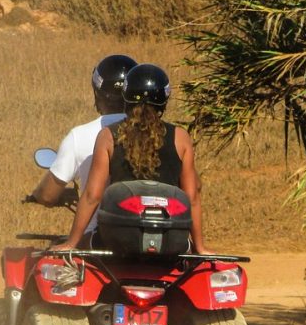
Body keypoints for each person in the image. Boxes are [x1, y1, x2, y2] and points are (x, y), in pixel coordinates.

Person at [54, 64, 210, 254]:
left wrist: (72, 242)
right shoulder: (180, 138)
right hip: (170, 243)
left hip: (115, 240)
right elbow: (192, 197)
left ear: (126, 96)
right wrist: (200, 247)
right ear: (164, 100)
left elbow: (92, 196)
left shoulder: (108, 136)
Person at [30, 54, 138, 239]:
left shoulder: (80, 136)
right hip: (161, 240)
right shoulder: (161, 135)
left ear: (98, 93)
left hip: (99, 239)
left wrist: (38, 195)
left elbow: (48, 195)